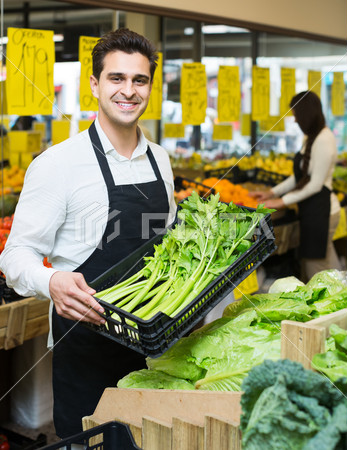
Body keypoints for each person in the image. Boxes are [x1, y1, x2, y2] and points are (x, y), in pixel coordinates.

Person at [0, 28, 176, 438]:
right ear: (94, 85)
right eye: (116, 78)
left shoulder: (162, 161)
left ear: (149, 85)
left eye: (139, 80)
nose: (128, 91)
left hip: (156, 350)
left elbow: (165, 244)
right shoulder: (58, 164)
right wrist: (53, 280)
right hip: (86, 354)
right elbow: (14, 257)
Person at [250, 91, 341, 281]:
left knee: (316, 271)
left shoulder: (324, 140)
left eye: (296, 115)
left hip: (322, 213)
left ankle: (338, 307)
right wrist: (271, 193)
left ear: (306, 114)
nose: (295, 121)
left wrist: (281, 202)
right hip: (312, 211)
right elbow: (299, 177)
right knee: (327, 265)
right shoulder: (312, 138)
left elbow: (315, 185)